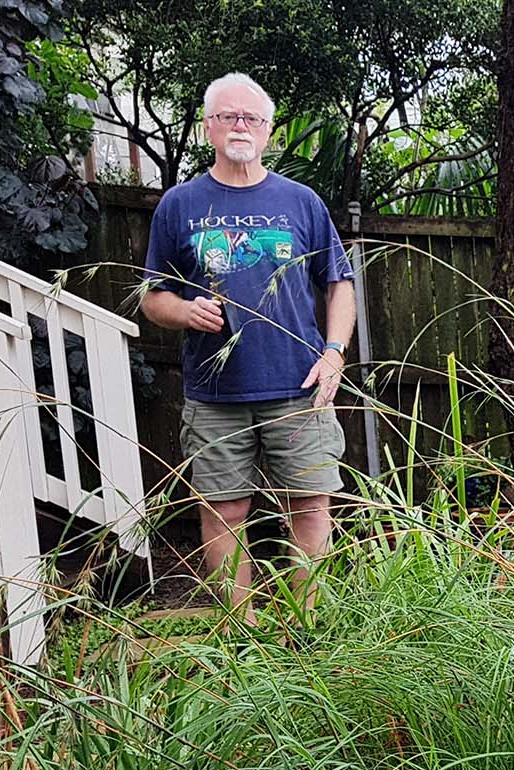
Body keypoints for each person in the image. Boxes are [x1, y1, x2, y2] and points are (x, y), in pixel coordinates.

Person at [140, 72, 356, 617]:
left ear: (268, 130)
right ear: (209, 127)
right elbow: (151, 296)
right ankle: (244, 634)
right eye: (228, 116)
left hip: (299, 388)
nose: (241, 126)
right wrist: (184, 310)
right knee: (223, 512)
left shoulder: (301, 201)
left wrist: (334, 352)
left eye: (252, 118)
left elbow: (340, 284)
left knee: (309, 506)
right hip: (214, 396)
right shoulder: (179, 204)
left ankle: (305, 627)